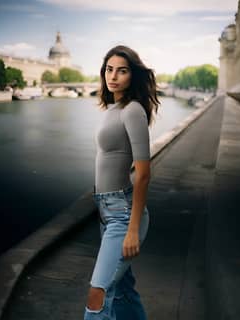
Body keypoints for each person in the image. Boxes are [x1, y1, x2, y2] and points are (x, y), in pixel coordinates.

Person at [84, 45, 159, 320]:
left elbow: (144, 173)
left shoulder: (132, 110)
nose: (113, 76)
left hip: (123, 215)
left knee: (98, 294)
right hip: (107, 211)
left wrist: (132, 229)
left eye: (122, 71)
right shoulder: (113, 109)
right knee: (124, 291)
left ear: (133, 76)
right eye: (109, 69)